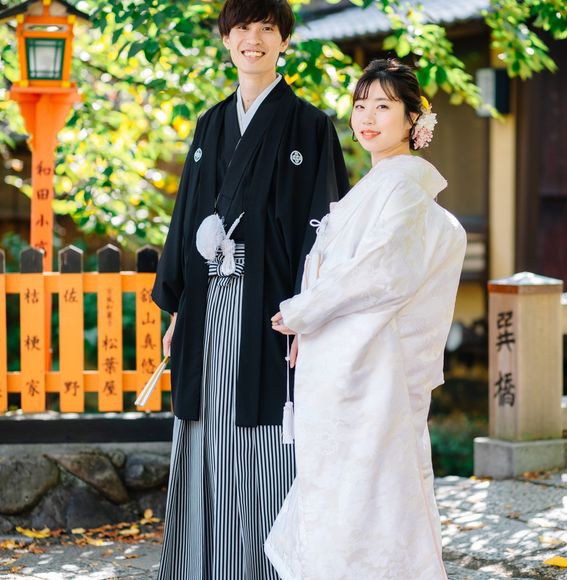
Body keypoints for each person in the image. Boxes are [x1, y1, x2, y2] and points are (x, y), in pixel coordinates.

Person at [150, 0, 349, 578]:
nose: (253, 39)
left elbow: (324, 228)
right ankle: (200, 566)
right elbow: (186, 219)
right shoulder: (210, 124)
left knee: (263, 441)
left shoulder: (310, 126)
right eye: (242, 28)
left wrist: (308, 313)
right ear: (226, 39)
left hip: (272, 310)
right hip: (207, 303)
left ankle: (263, 568)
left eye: (266, 28)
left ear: (284, 40)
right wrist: (179, 311)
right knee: (206, 429)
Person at [266, 58, 466, 580]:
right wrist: (309, 321)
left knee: (368, 489)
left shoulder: (401, 187)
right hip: (346, 363)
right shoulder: (379, 185)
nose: (367, 117)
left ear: (413, 119)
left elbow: (382, 271)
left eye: (383, 106)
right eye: (360, 105)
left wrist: (302, 311)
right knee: (348, 487)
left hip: (369, 369)